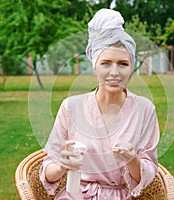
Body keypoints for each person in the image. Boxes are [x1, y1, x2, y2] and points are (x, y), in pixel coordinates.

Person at [40, 8, 159, 199]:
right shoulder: (71, 107)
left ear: (131, 67)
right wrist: (62, 165)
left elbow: (149, 170)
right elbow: (47, 170)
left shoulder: (144, 109)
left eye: (123, 64)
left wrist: (132, 160)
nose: (114, 72)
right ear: (95, 66)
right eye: (106, 63)